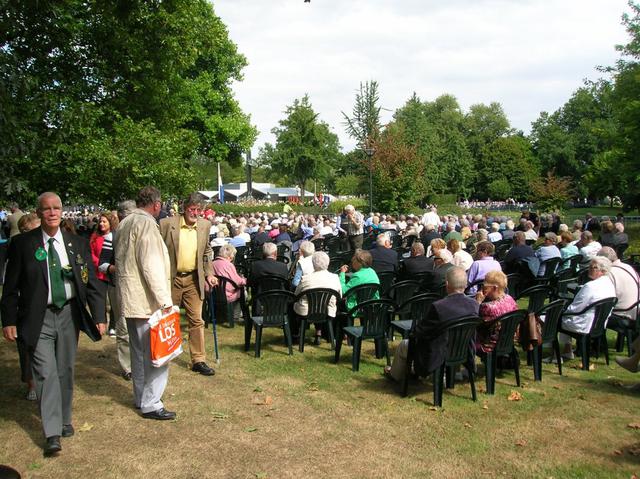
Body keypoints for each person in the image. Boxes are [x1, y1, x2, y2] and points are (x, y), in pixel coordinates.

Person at [1, 192, 106, 455]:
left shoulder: (76, 243)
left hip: (70, 314)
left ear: (62, 211)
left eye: (56, 208)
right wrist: (9, 320)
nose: (52, 212)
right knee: (46, 373)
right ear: (38, 212)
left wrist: (100, 316)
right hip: (37, 317)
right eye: (46, 209)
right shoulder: (23, 244)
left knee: (64, 369)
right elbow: (10, 287)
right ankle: (52, 432)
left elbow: (91, 282)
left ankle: (64, 418)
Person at [115, 186, 176, 421]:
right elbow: (150, 265)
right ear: (157, 205)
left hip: (130, 298)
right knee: (157, 354)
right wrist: (164, 301)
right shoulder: (146, 224)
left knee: (138, 354)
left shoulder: (124, 222)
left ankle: (142, 397)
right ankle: (151, 402)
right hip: (145, 299)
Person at [385, 266, 479, 382]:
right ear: (465, 285)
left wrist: (414, 334)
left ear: (447, 284)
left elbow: (420, 331)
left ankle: (395, 376)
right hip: (462, 351)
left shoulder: (439, 306)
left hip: (438, 353)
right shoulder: (474, 305)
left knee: (404, 344)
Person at [159, 193, 218, 377]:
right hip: (172, 278)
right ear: (185, 208)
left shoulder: (205, 226)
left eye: (199, 210)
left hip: (194, 279)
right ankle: (164, 354)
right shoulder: (167, 224)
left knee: (197, 320)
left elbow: (207, 250)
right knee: (167, 319)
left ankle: (198, 360)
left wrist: (209, 273)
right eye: (192, 209)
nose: (195, 213)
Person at [101, 200, 135, 380]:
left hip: (137, 289)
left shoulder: (141, 235)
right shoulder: (110, 237)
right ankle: (127, 367)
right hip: (118, 288)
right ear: (121, 217)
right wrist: (117, 268)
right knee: (123, 328)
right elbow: (102, 265)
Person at [557, 257, 616, 359]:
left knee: (553, 318)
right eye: (589, 266)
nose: (589, 269)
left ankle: (553, 354)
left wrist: (562, 311)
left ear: (603, 271)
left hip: (584, 325)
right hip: (599, 324)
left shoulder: (589, 286)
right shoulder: (610, 285)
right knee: (561, 315)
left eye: (593, 267)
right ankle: (567, 350)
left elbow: (575, 309)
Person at [293, 252, 342, 343]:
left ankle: (295, 335)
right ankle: (319, 333)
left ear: (313, 264)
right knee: (320, 305)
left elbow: (296, 295)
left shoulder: (305, 279)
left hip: (307, 311)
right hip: (327, 311)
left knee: (293, 306)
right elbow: (340, 295)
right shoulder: (335, 278)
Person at [474, 270, 518, 353]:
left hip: (489, 344)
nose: (482, 288)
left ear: (494, 288)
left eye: (484, 285)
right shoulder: (510, 299)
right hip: (508, 341)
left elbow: (473, 322)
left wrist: (477, 303)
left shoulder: (487, 307)